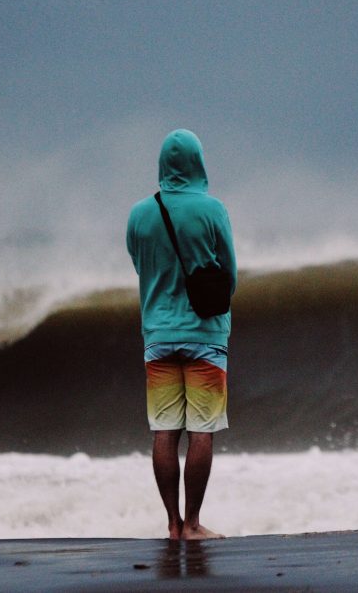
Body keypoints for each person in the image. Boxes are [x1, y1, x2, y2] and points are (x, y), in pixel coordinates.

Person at [126, 129, 237, 541]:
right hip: (205, 335)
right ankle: (192, 523)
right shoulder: (212, 210)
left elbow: (140, 264)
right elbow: (229, 273)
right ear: (198, 162)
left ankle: (171, 524)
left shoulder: (140, 214)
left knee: (164, 430)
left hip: (158, 333)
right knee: (201, 431)